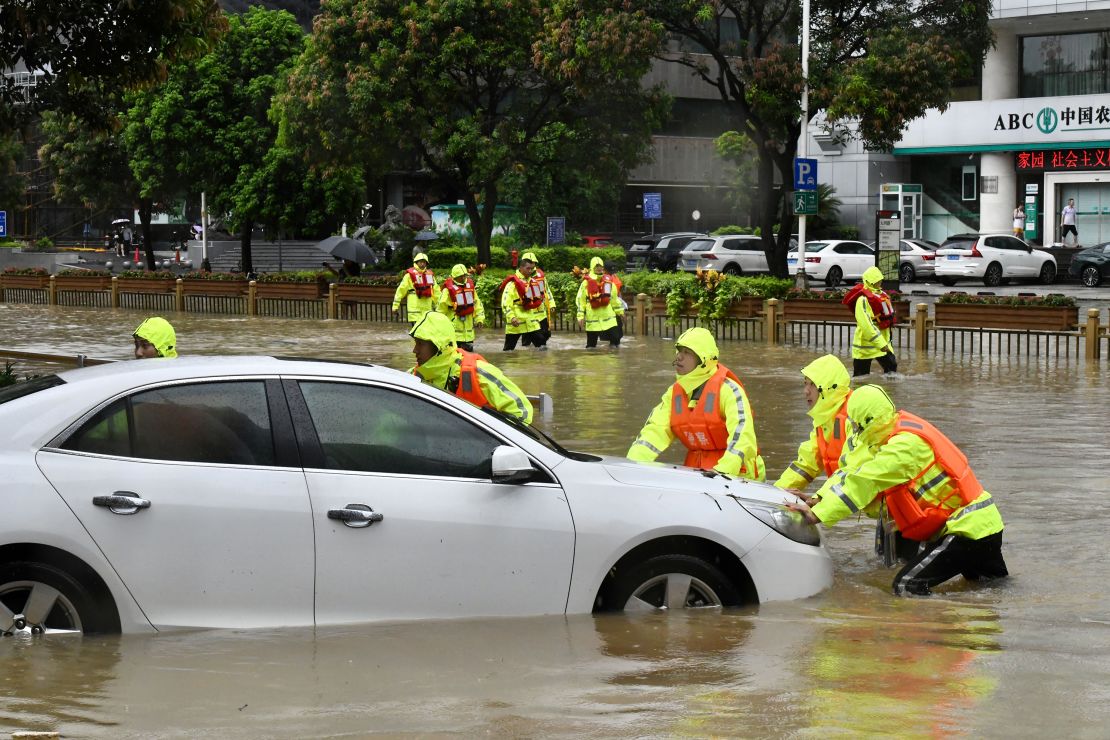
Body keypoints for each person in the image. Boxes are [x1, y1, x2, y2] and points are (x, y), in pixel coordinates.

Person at [786, 384, 1008, 596]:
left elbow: (864, 481)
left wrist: (819, 515)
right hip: (984, 525)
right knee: (993, 592)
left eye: (855, 425)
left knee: (906, 586)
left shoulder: (903, 447)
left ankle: (936, 630)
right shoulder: (886, 433)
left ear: (867, 421)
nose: (853, 431)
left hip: (968, 530)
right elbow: (849, 471)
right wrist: (819, 499)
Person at [627, 327, 764, 480]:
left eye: (687, 352)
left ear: (703, 360)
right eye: (679, 350)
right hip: (697, 475)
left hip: (738, 477)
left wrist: (724, 472)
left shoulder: (729, 390)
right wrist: (632, 464)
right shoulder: (674, 393)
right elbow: (654, 432)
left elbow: (743, 437)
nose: (679, 357)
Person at [409, 312, 533, 424]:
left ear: (439, 346)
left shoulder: (478, 372)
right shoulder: (412, 376)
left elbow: (521, 411)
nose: (415, 350)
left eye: (420, 344)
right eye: (416, 343)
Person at [774, 354, 852, 492]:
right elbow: (807, 465)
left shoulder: (853, 419)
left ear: (828, 388)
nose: (806, 391)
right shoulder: (825, 420)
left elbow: (852, 473)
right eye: (805, 384)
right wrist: (776, 492)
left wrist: (817, 500)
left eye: (813, 385)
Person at [847, 266, 897, 377]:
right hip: (865, 346)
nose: (880, 282)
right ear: (870, 282)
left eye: (880, 280)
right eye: (877, 281)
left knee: (892, 369)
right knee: (861, 378)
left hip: (882, 343)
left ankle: (887, 392)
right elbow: (866, 326)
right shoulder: (863, 300)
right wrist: (881, 343)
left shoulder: (881, 295)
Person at [500, 255, 547, 350]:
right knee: (508, 351)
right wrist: (512, 317)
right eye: (528, 268)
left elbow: (537, 300)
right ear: (521, 268)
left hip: (531, 321)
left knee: (542, 346)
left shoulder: (533, 282)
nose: (530, 271)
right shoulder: (512, 284)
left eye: (532, 269)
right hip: (516, 321)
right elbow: (505, 303)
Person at [575, 256, 624, 348]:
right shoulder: (585, 283)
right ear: (592, 268)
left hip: (609, 318)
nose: (599, 268)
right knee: (591, 346)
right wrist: (580, 316)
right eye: (596, 267)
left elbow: (614, 299)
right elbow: (581, 301)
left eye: (600, 266)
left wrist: (620, 312)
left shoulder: (609, 282)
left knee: (615, 342)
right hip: (593, 319)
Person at [438, 263, 485, 352]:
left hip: (469, 334)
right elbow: (441, 310)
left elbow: (477, 304)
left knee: (468, 359)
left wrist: (480, 319)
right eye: (461, 276)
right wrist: (439, 328)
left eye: (465, 276)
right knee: (455, 358)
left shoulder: (470, 287)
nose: (464, 278)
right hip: (454, 333)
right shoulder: (447, 290)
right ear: (455, 277)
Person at [392, 252, 439, 325]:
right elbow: (400, 291)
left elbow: (436, 292)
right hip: (415, 310)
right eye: (420, 262)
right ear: (416, 262)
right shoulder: (409, 276)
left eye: (424, 262)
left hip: (427, 310)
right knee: (417, 333)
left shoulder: (430, 276)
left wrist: (439, 307)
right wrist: (395, 306)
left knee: (425, 333)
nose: (422, 264)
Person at [520, 251, 555, 345]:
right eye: (529, 262)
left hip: (541, 312)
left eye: (533, 262)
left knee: (546, 334)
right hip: (527, 313)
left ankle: (541, 352)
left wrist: (552, 304)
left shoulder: (541, 276)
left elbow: (546, 291)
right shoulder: (519, 279)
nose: (532, 264)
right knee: (526, 339)